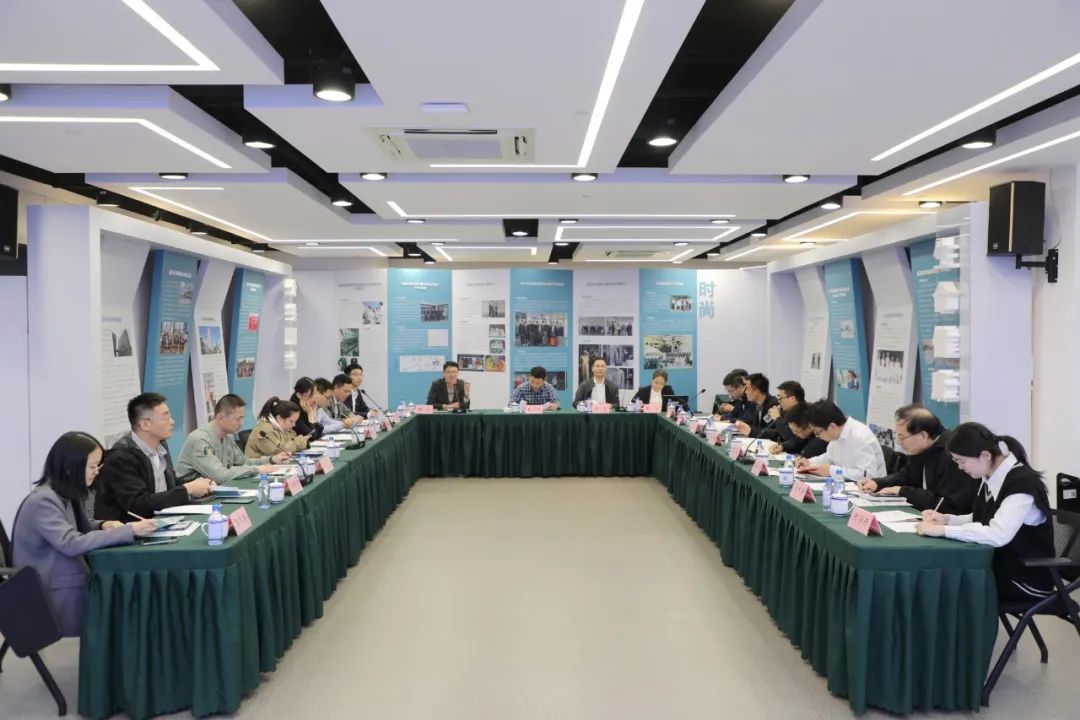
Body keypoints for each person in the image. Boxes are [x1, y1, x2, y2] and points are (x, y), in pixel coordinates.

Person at [11, 432, 157, 636]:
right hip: (49, 586)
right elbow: (71, 543)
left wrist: (104, 524)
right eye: (92, 467)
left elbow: (79, 528)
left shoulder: (66, 493)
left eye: (99, 466)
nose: (96, 472)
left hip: (67, 576)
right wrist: (129, 530)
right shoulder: (43, 501)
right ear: (70, 467)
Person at [915, 422, 1056, 603]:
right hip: (998, 567)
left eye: (962, 461)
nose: (960, 467)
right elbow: (983, 517)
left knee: (948, 585)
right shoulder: (989, 476)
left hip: (1025, 578)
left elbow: (998, 534)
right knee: (943, 578)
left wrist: (943, 531)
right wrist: (947, 520)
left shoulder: (1021, 484)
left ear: (985, 456)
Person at [95, 393, 214, 522]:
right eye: (165, 417)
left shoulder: (161, 445)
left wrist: (197, 484)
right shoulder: (121, 457)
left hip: (164, 521)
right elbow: (139, 505)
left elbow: (170, 487)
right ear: (145, 424)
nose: (172, 422)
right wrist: (187, 489)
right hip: (135, 528)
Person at [856, 405, 976, 513]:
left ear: (923, 435)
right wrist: (878, 483)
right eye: (897, 435)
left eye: (902, 437)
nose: (899, 442)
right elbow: (906, 475)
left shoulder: (954, 455)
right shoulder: (922, 447)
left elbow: (947, 504)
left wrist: (902, 491)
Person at [175, 394, 290, 484]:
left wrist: (271, 460)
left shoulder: (227, 436)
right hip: (192, 498)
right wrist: (257, 469)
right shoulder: (199, 440)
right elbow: (220, 476)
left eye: (242, 418)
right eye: (238, 419)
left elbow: (243, 462)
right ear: (221, 418)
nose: (242, 423)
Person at [795, 399, 886, 478]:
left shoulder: (860, 437)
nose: (817, 436)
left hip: (871, 490)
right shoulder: (837, 434)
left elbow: (868, 474)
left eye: (818, 432)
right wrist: (810, 462)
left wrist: (832, 471)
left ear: (832, 426)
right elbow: (830, 457)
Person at [245, 397, 311, 458]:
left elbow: (290, 441)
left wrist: (300, 442)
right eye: (291, 421)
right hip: (258, 466)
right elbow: (278, 451)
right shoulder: (265, 430)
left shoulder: (282, 428)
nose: (294, 425)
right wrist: (298, 443)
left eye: (295, 421)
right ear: (279, 418)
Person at [733, 373, 780, 437]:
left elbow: (774, 433)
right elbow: (749, 421)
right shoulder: (754, 404)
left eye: (747, 388)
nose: (745, 392)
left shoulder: (774, 406)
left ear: (757, 391)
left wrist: (751, 431)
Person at [290, 376, 325, 441]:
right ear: (299, 395)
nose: (314, 398)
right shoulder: (293, 411)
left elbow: (320, 429)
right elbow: (312, 437)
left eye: (315, 394)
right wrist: (311, 415)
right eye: (311, 395)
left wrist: (312, 413)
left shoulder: (306, 408)